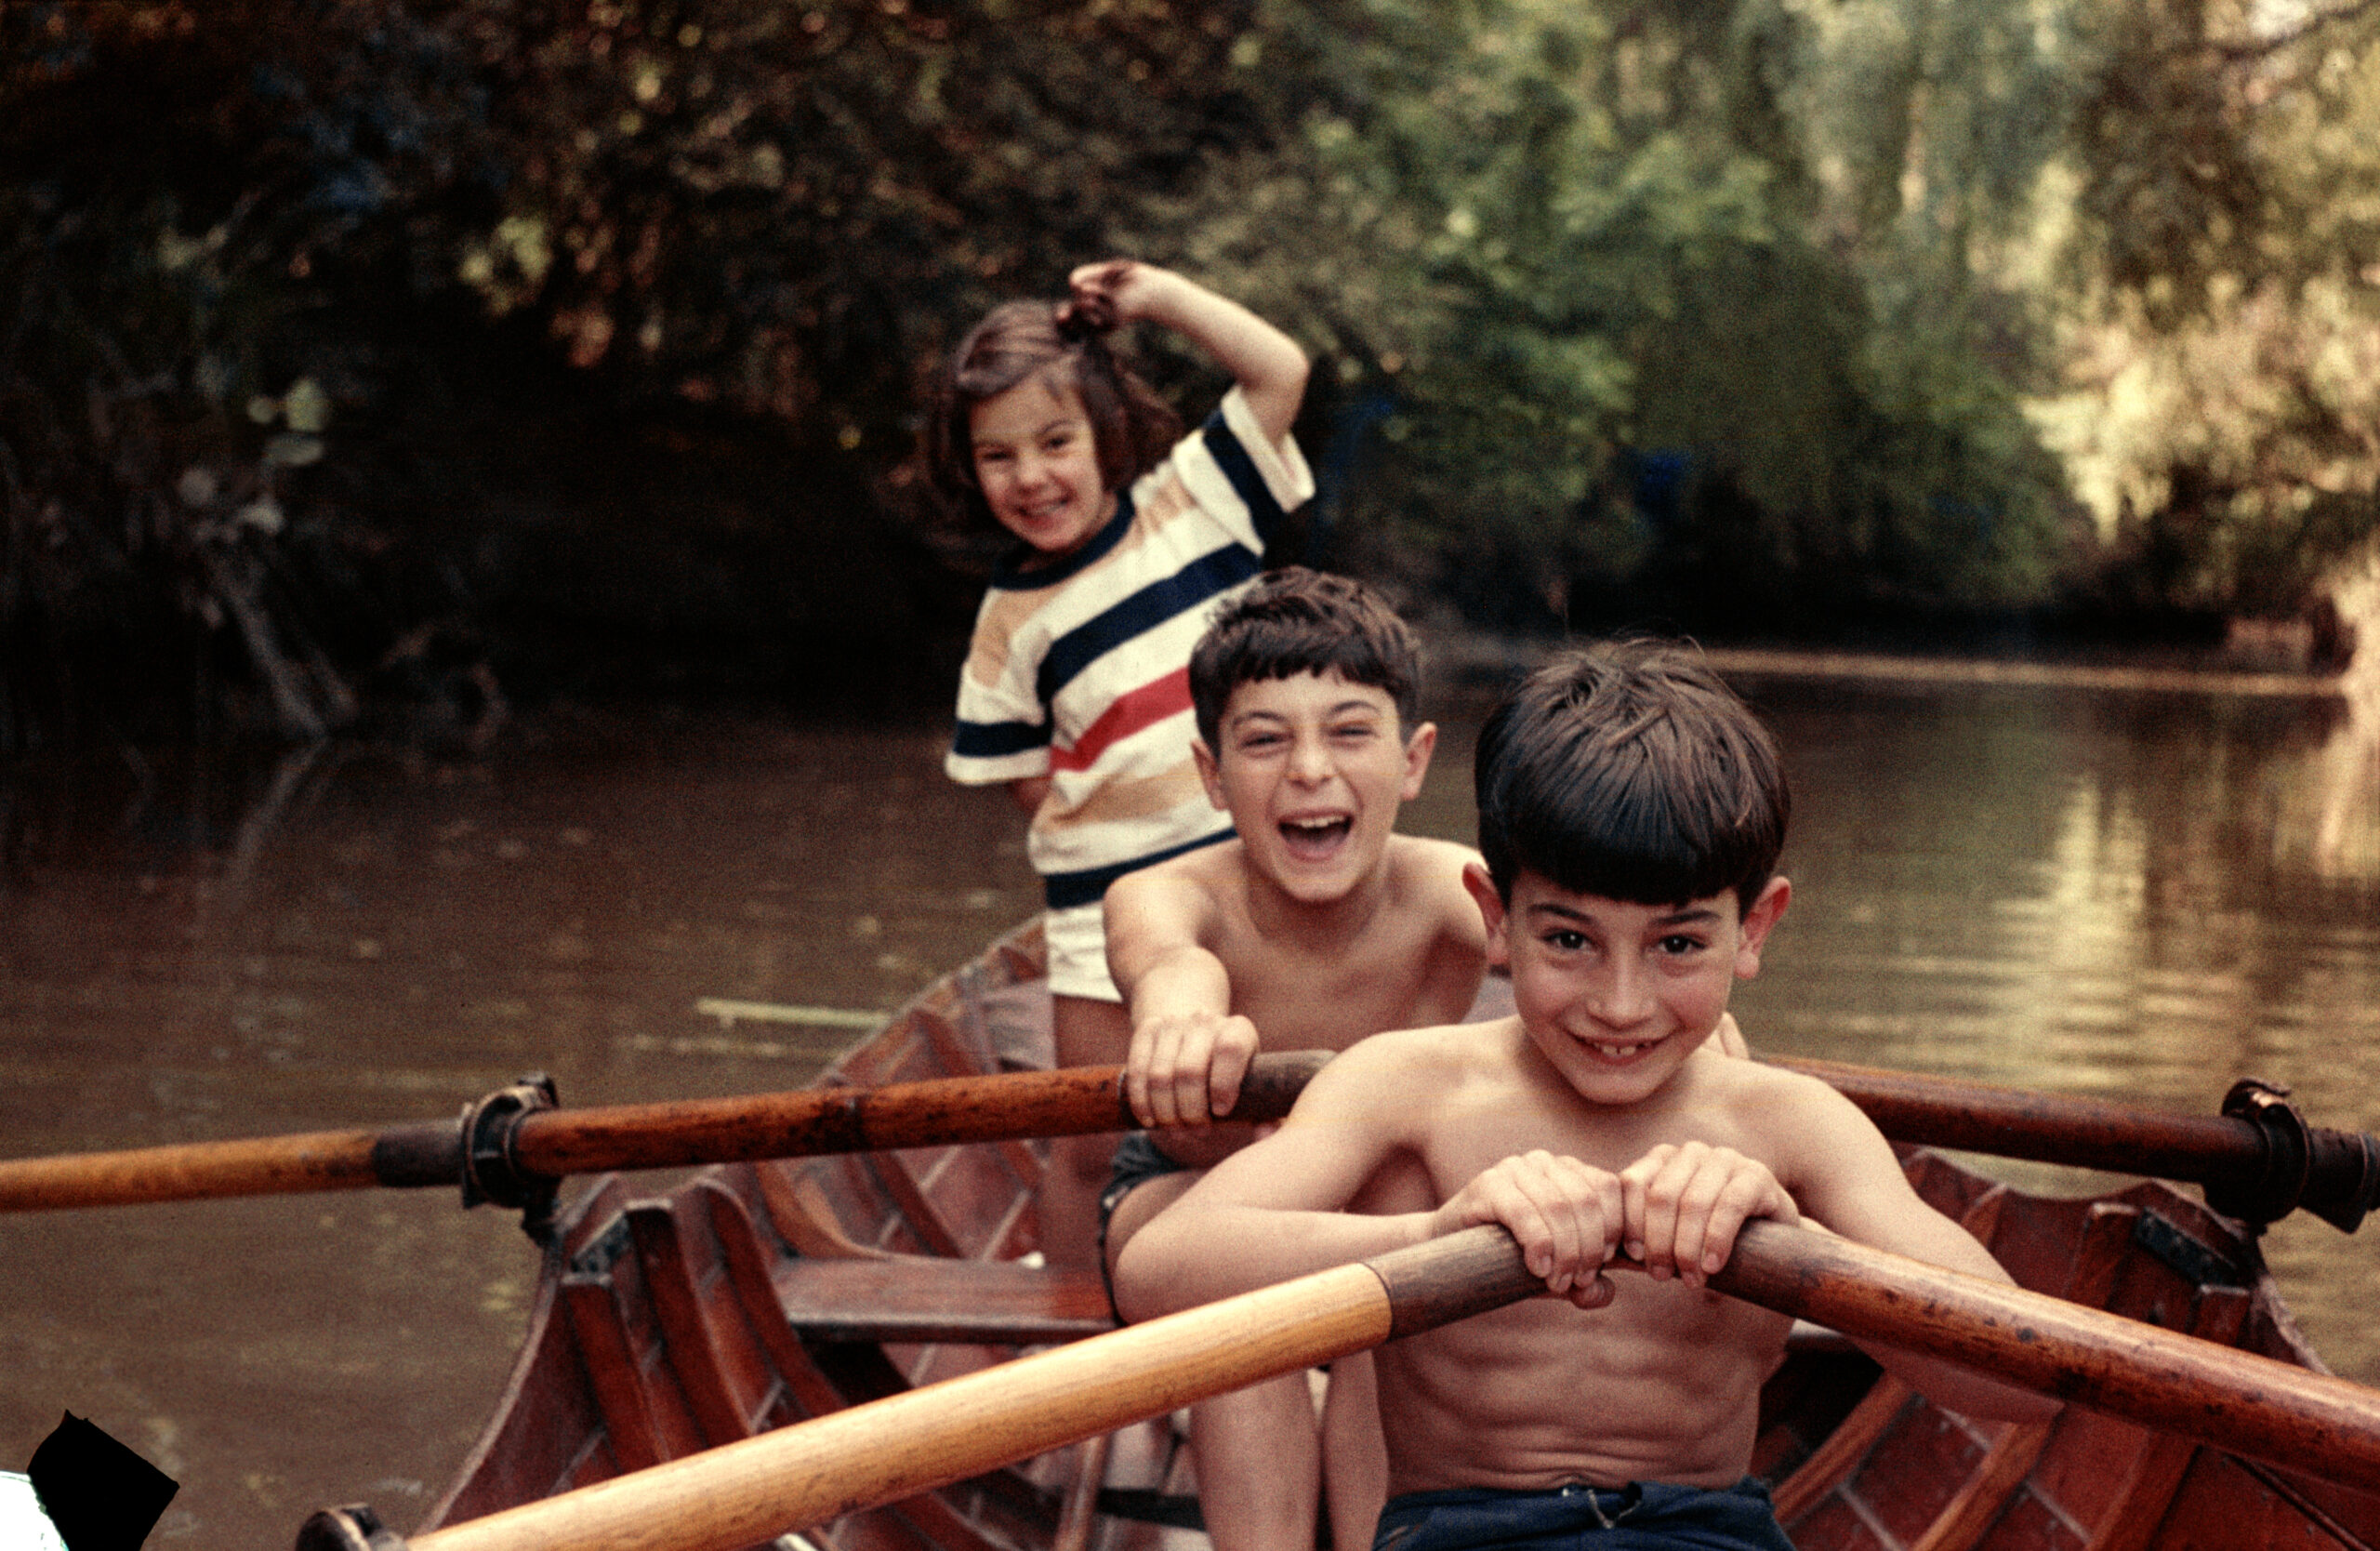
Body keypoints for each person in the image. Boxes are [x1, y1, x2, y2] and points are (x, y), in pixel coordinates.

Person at [1114, 640, 2060, 1551]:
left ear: (1754, 928)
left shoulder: (1792, 1127)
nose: (1620, 1004)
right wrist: (1433, 1239)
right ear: (1496, 918)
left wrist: (1796, 1240)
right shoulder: (1404, 1086)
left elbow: (2026, 1380)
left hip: (1707, 1533)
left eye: (1678, 945)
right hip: (1464, 1533)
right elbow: (1159, 1268)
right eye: (1569, 940)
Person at [930, 259, 1312, 1275]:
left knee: (1269, 1113)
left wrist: (1160, 299)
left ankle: (1271, 1288)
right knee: (1088, 1136)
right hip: (1100, 911)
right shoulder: (1005, 625)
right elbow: (1031, 782)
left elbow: (1280, 371)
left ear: (1104, 430)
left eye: (1055, 441)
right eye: (998, 455)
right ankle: (1064, 1338)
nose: (1031, 476)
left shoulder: (1193, 502)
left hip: (1252, 886)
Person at [1099, 567, 1489, 1551]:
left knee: (1402, 1223)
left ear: (1412, 759)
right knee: (1247, 1282)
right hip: (1187, 1193)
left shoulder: (1461, 891)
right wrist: (1183, 1027)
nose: (1310, 770)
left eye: (1350, 732)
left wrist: (1698, 1042)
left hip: (1389, 1208)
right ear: (1211, 774)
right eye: (1265, 740)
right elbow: (1168, 964)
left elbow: (1591, 957)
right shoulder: (1165, 895)